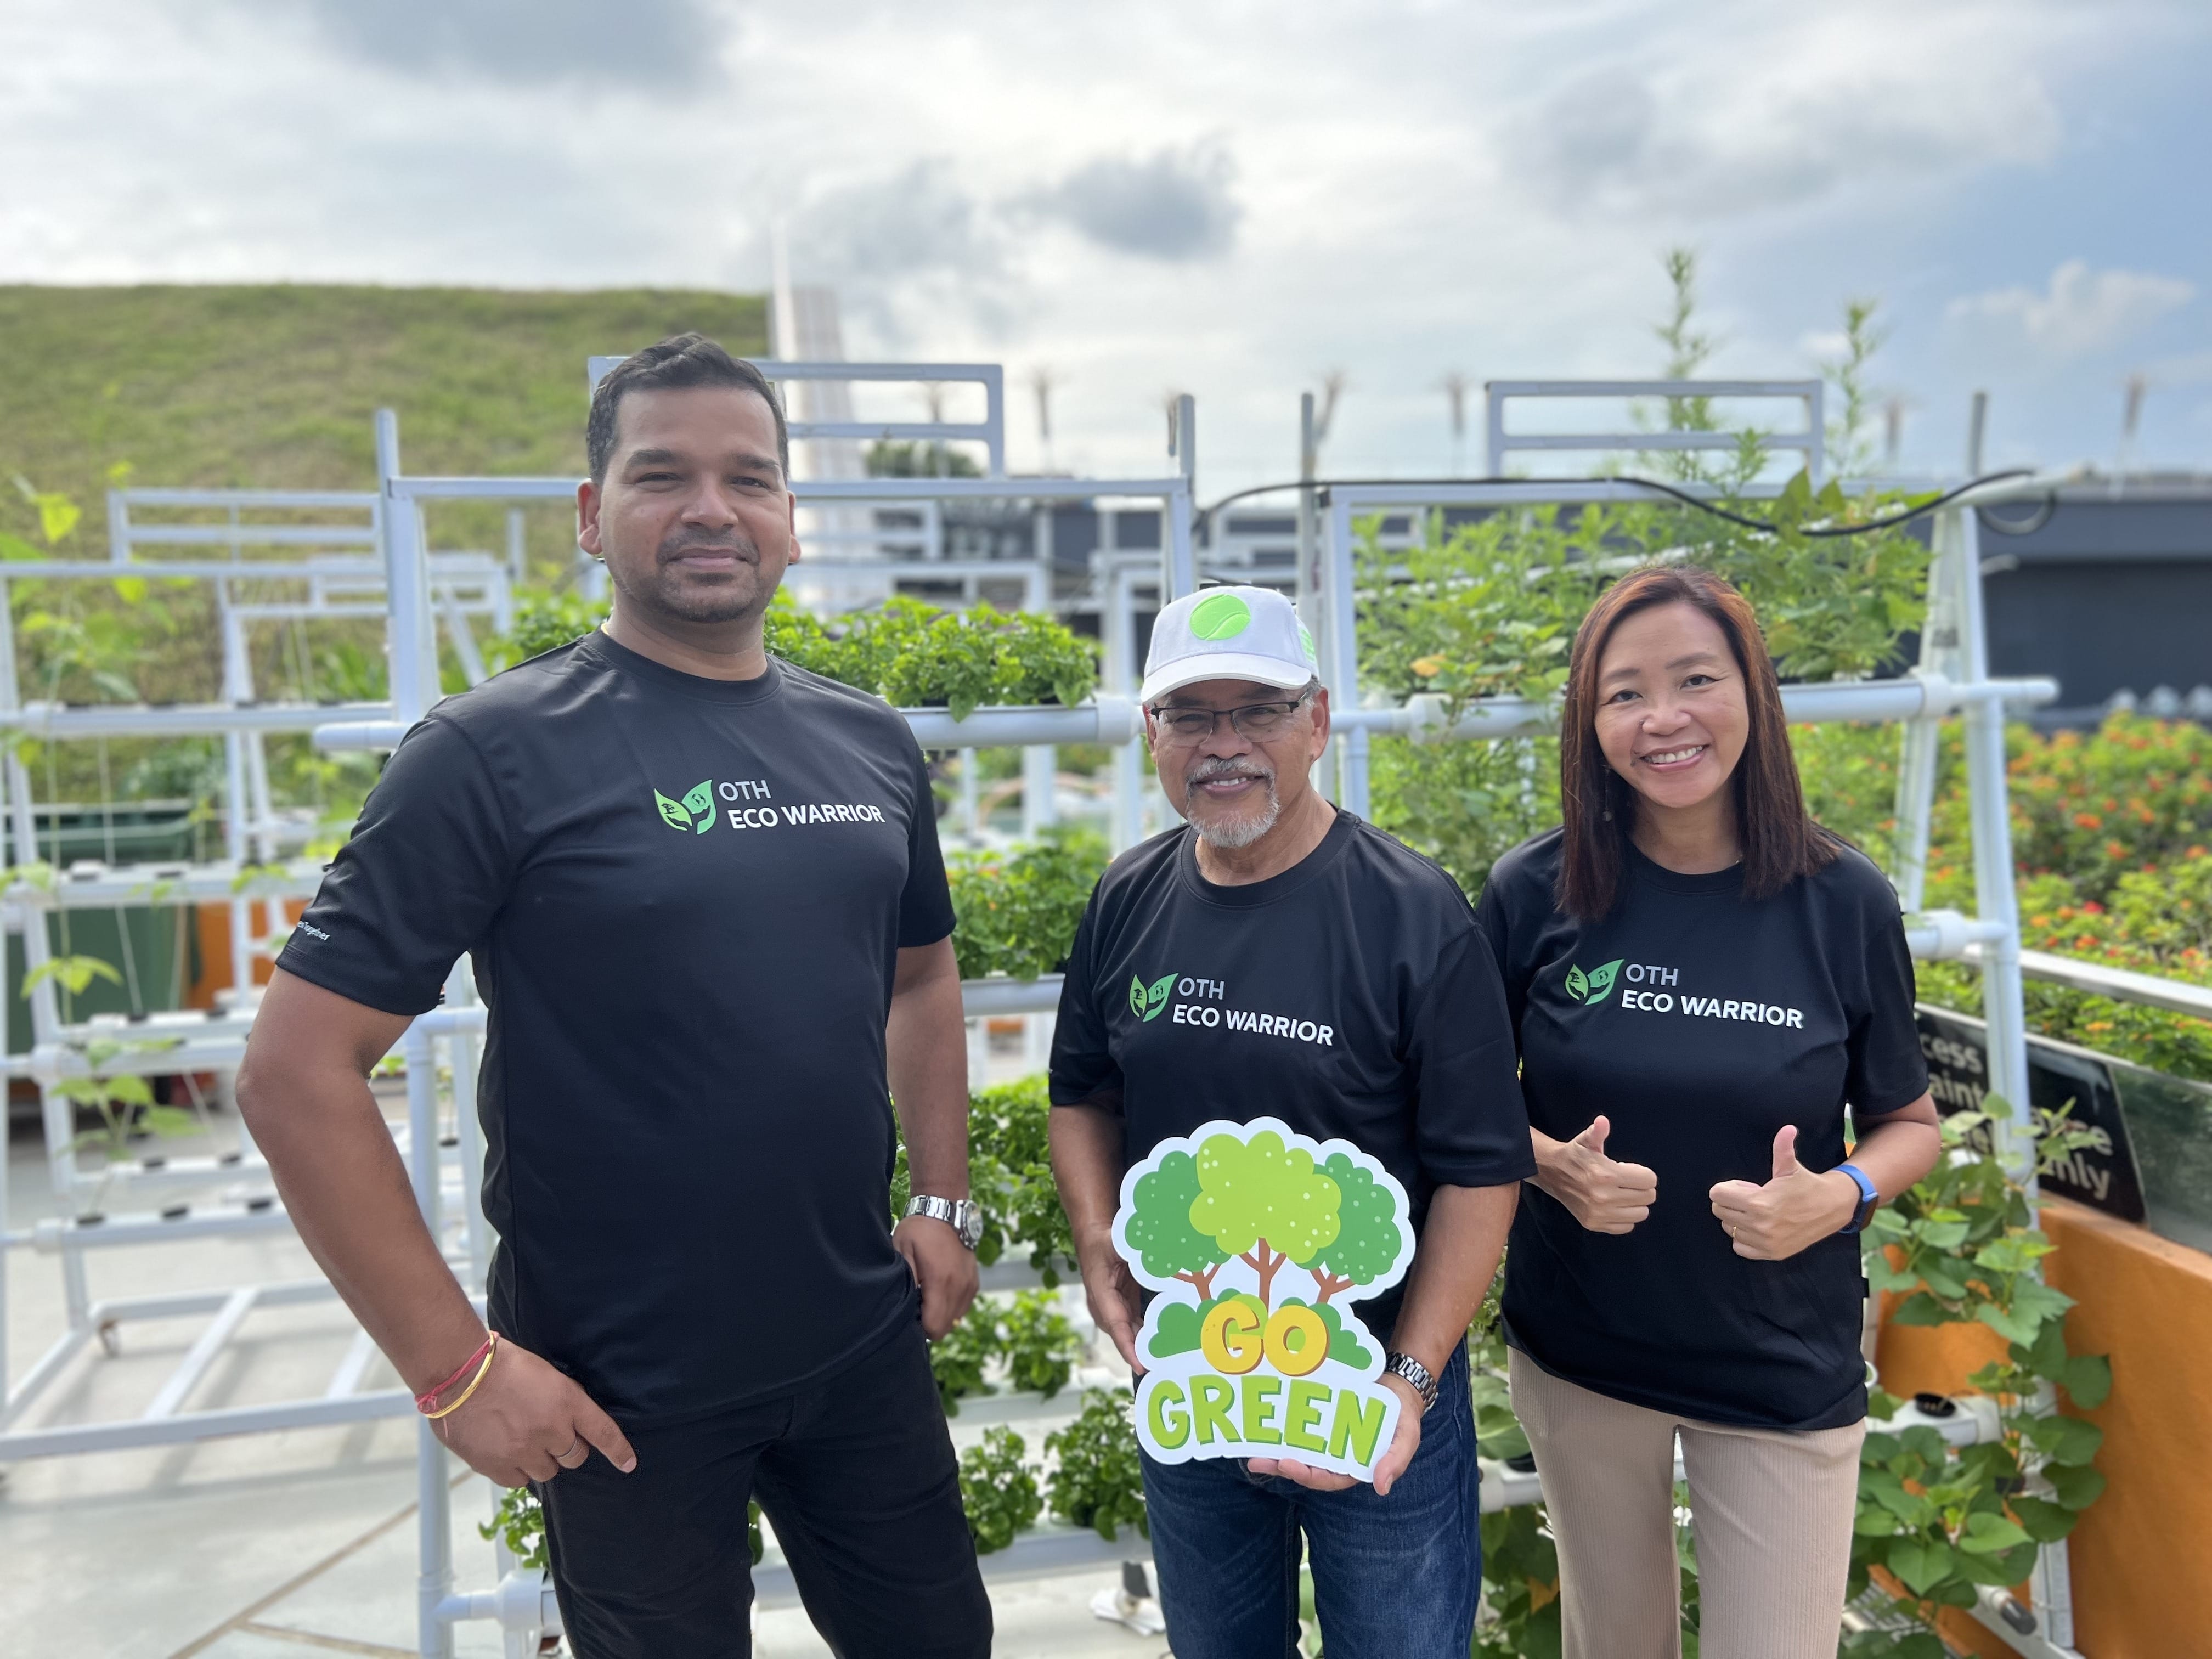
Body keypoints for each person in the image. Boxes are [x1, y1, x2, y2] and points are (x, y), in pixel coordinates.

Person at [235, 334, 992, 1659]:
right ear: (594, 516)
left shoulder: (868, 742)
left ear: (791, 522)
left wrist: (939, 1198)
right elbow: (295, 1073)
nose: (713, 508)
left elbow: (922, 973)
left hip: (859, 1337)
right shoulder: (488, 755)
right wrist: (455, 1367)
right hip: (618, 1389)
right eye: (663, 476)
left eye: (749, 479)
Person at [1048, 585, 1532, 1659]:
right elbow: (1083, 1092)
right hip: (1193, 1378)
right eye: (1191, 716)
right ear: (1151, 736)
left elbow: (1481, 1169)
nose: (1224, 745)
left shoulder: (1413, 915)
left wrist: (1409, 1382)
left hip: (1372, 1395)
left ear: (1317, 723)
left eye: (1257, 710)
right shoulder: (1128, 899)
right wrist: (1097, 1246)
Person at [1473, 564, 1943, 1659]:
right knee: (1614, 1643)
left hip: (1780, 1357)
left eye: (1695, 679)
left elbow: (1909, 1122)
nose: (1664, 719)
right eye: (1625, 693)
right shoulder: (1532, 893)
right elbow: (1460, 1090)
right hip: (1584, 1349)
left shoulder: (1843, 900)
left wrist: (1840, 1194)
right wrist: (1546, 1160)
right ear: (1590, 725)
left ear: (1753, 695)